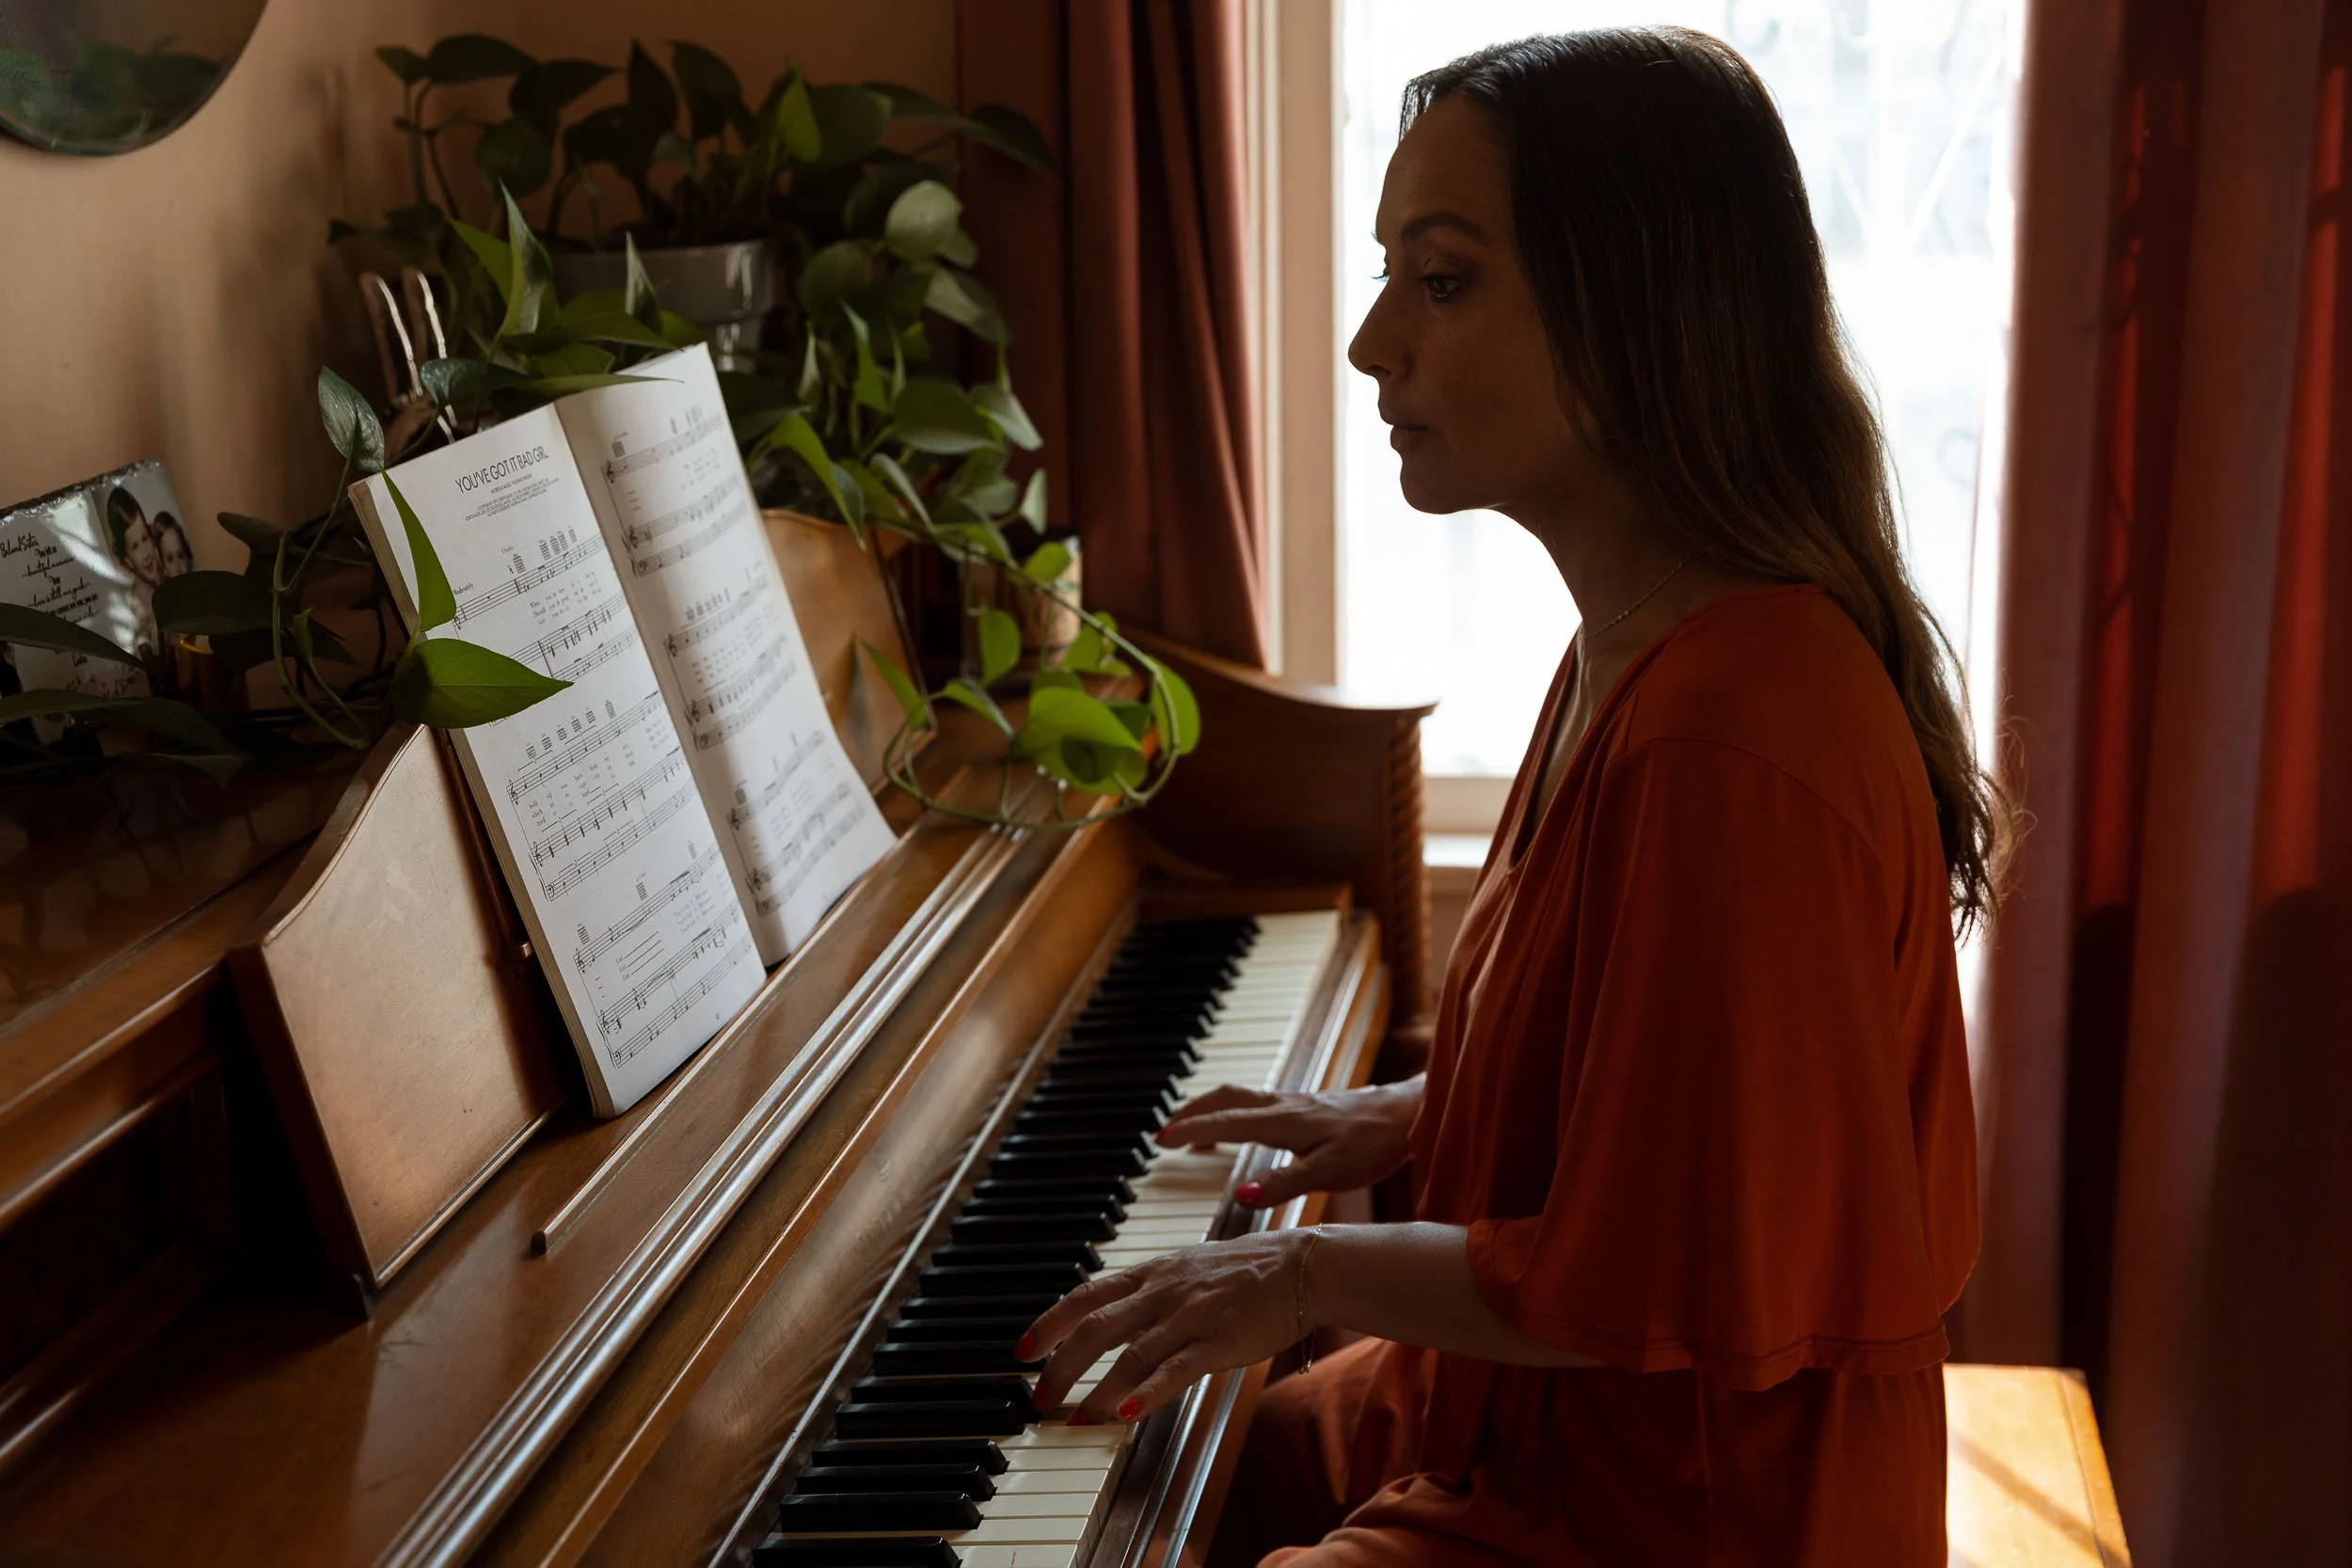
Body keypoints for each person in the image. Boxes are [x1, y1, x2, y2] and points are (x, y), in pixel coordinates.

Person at [1019, 27, 2002, 1568]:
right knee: (1172, 1448)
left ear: (1636, 317)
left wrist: (1296, 1282)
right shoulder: (1637, 636)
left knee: (1180, 1470)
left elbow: (1670, 1268)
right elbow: (1666, 1090)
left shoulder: (1733, 740)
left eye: (1445, 278)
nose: (1369, 342)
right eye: (1390, 271)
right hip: (1548, 1412)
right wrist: (1412, 1111)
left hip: (1685, 1503)